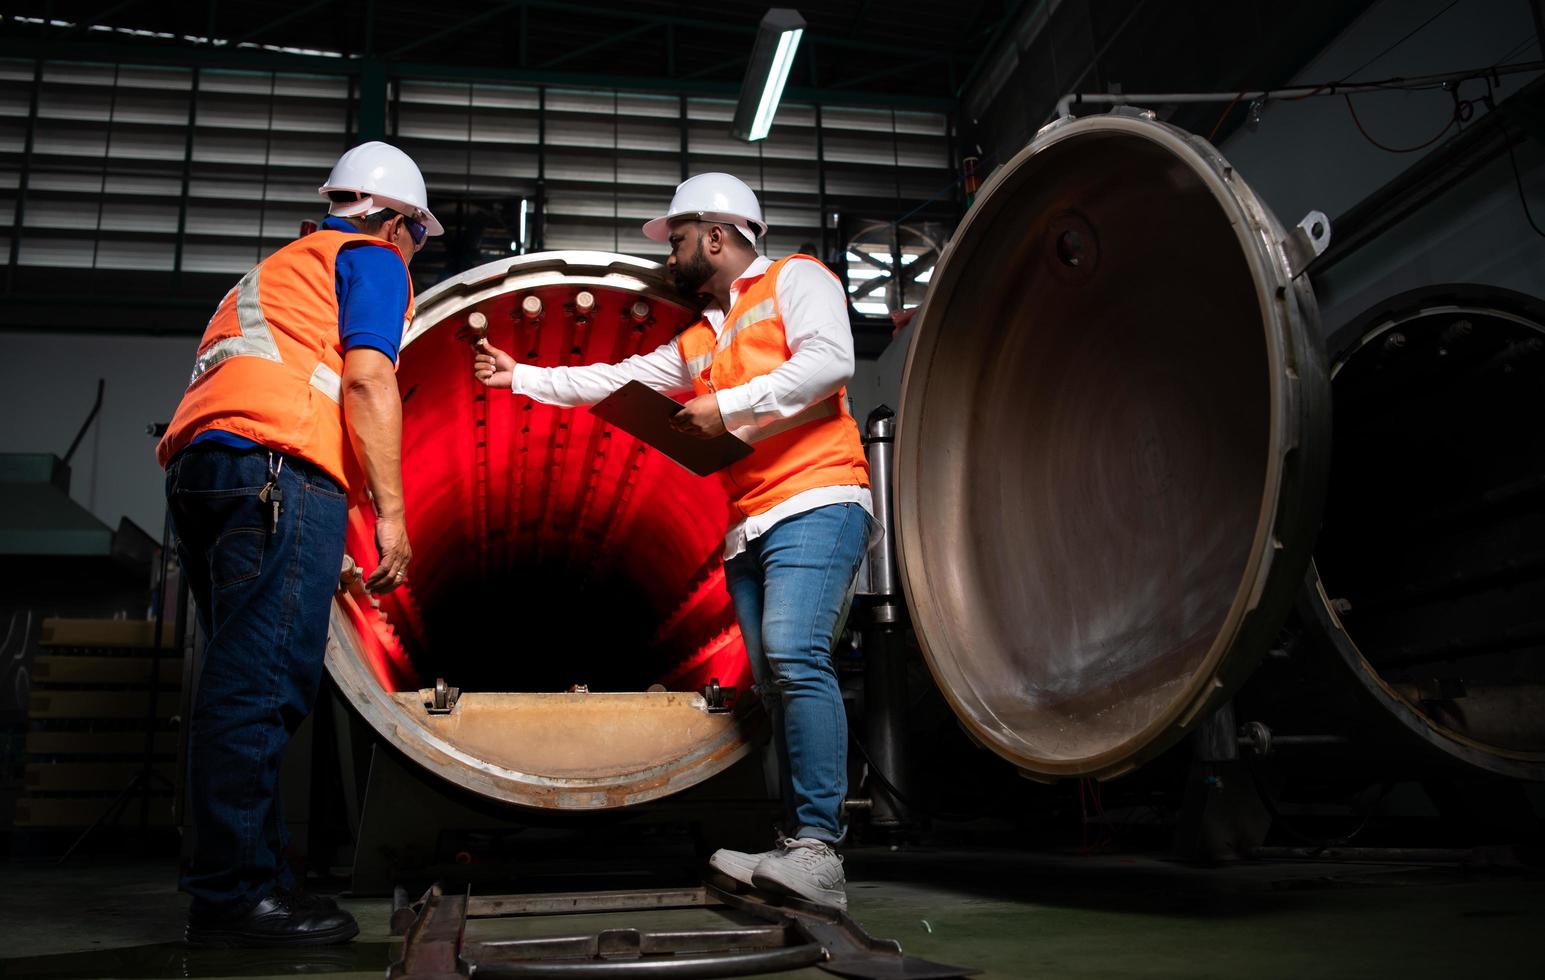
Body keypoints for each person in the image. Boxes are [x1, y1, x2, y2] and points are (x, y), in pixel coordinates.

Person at [474, 172, 871, 910]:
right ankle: (794, 845)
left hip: (817, 497)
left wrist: (729, 405)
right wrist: (519, 375)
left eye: (679, 239)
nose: (672, 254)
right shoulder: (695, 341)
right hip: (748, 521)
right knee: (774, 683)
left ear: (716, 236)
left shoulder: (796, 279)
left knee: (794, 655)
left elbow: (829, 362)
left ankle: (821, 849)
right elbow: (615, 380)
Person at [156, 141, 440, 946]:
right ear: (395, 220)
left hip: (207, 472)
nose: (413, 253)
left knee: (239, 677)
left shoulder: (280, 270)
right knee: (259, 686)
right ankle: (233, 896)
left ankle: (257, 875)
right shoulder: (372, 258)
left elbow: (271, 379)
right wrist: (390, 515)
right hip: (280, 468)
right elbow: (363, 380)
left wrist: (325, 544)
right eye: (417, 236)